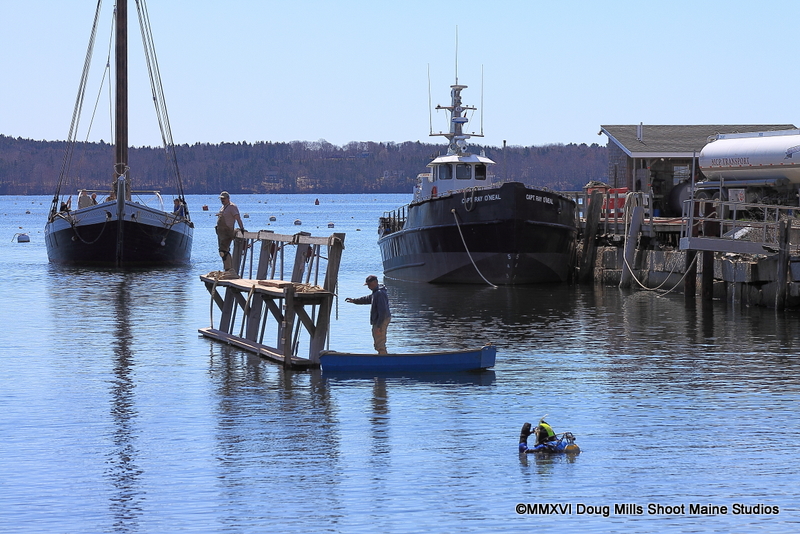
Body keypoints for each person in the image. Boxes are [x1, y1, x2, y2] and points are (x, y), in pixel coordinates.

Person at [346, 275, 391, 354]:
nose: (368, 287)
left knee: (379, 342)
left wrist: (379, 326)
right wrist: (354, 301)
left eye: (369, 284)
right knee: (377, 341)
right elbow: (367, 299)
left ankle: (383, 359)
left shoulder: (379, 293)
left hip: (381, 319)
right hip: (379, 319)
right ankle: (382, 356)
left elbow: (383, 311)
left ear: (375, 282)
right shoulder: (376, 292)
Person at [215, 191, 245, 279]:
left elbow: (238, 218)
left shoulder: (232, 207)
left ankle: (229, 270)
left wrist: (242, 228)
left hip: (228, 232)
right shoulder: (223, 207)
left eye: (224, 198)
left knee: (224, 252)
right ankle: (227, 270)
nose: (222, 200)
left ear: (228, 198)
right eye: (221, 199)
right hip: (221, 232)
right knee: (221, 251)